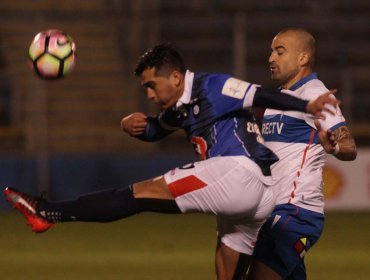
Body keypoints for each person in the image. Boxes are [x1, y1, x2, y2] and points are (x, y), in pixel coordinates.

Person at [4, 44, 338, 280]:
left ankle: (49, 212)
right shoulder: (180, 107)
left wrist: (303, 106)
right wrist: (132, 126)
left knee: (143, 193)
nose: (149, 93)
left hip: (240, 172)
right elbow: (154, 129)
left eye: (152, 84)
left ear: (176, 77)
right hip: (252, 196)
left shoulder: (214, 86)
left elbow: (260, 94)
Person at [247, 28, 357, 280]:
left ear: (303, 58)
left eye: (279, 51)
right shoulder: (281, 99)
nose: (271, 58)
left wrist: (336, 147)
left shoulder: (315, 94)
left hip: (295, 213)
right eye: (271, 51)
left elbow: (348, 144)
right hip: (272, 210)